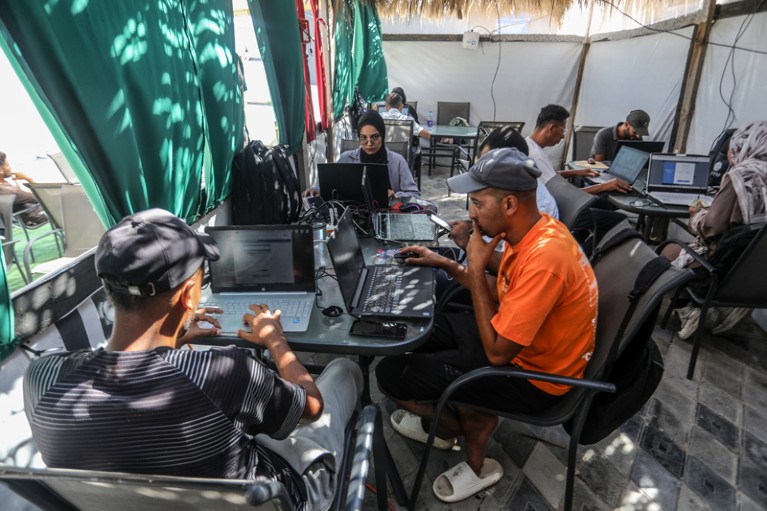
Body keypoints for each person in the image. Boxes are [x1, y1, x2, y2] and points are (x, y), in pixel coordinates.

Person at [23, 208, 362, 511]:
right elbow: (312, 410)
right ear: (189, 297)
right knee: (344, 371)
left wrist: (175, 341)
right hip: (279, 498)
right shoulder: (224, 372)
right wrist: (275, 340)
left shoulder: (43, 378)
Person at [375, 148, 597, 502]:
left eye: (478, 203)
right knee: (412, 333)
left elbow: (496, 354)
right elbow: (508, 289)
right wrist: (448, 266)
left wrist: (476, 269)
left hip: (534, 377)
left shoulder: (546, 259)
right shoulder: (537, 231)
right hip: (516, 341)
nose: (470, 213)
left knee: (390, 374)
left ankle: (467, 441)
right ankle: (456, 420)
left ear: (509, 204)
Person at [663, 121, 767, 339]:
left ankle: (689, 310)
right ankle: (727, 307)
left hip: (720, 266)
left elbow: (712, 229)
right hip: (755, 273)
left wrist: (696, 215)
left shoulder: (741, 177)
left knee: (666, 254)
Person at [526, 105, 632, 194]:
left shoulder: (529, 145)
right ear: (551, 128)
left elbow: (549, 177)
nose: (563, 136)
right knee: (616, 217)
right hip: (558, 212)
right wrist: (604, 186)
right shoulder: (537, 157)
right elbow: (565, 196)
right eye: (562, 130)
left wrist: (577, 172)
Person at [337, 110, 420, 197]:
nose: (369, 143)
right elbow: (334, 190)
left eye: (375, 137)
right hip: (354, 209)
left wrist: (395, 195)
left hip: (387, 209)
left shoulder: (398, 161)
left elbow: (414, 194)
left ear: (383, 135)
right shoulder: (345, 159)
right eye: (363, 138)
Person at [0, 151, 48, 227]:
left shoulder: (3, 187)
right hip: (39, 216)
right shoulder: (9, 191)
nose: (10, 168)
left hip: (22, 219)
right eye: (8, 165)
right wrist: (28, 179)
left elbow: (20, 197)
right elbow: (43, 198)